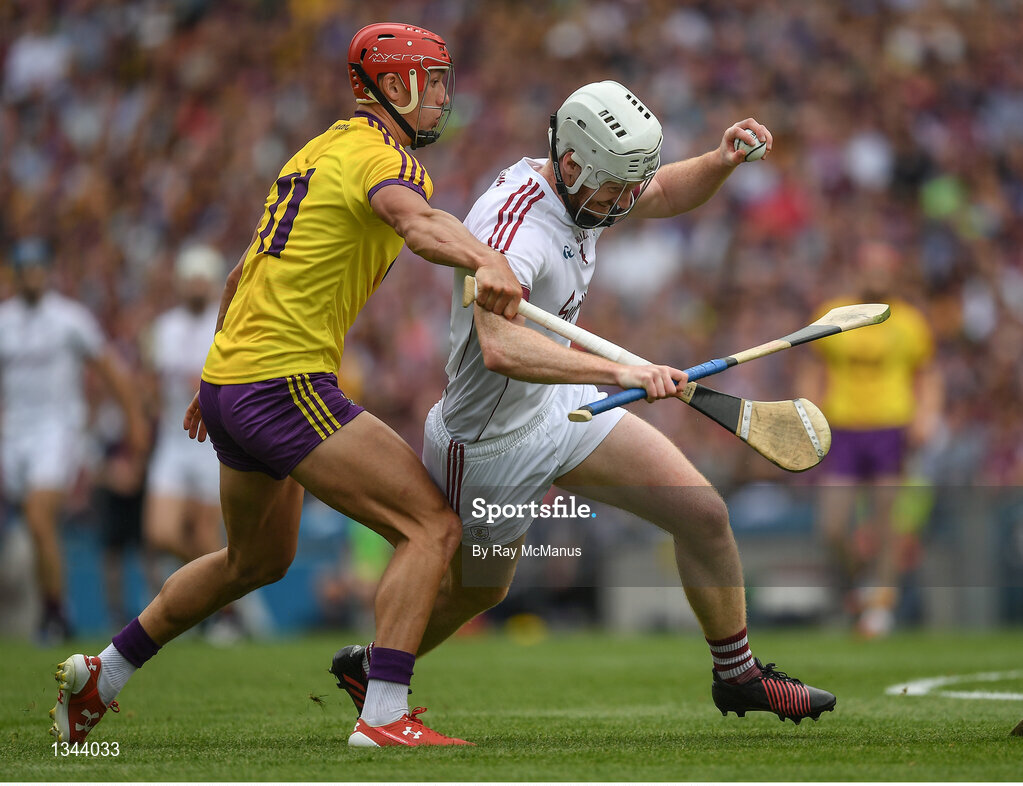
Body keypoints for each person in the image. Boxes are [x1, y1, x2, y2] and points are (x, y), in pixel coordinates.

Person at [50, 22, 521, 749]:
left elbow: (244, 272)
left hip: (236, 382)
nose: (444, 99)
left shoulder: (316, 150)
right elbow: (416, 220)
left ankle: (101, 673)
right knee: (432, 528)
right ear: (395, 87)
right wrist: (486, 260)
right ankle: (384, 713)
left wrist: (217, 377)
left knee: (255, 561)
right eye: (435, 82)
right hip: (281, 383)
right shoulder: (379, 158)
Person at [330, 80, 836, 725]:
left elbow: (657, 192)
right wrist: (622, 367)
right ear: (570, 162)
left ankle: (737, 677)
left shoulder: (592, 186)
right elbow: (501, 348)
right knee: (478, 593)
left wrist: (719, 160)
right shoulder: (517, 230)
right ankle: (372, 667)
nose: (626, 202)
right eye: (616, 187)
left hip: (560, 406)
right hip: (489, 443)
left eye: (630, 185)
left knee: (702, 512)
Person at [0, 237, 148, 644]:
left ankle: (55, 613)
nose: (32, 276)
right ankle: (52, 610)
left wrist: (134, 419)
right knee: (37, 528)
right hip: (13, 435)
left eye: (38, 268)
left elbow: (109, 369)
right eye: (24, 269)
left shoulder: (69, 319)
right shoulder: (5, 320)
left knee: (36, 515)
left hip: (57, 430)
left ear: (48, 272)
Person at [806, 239, 941, 637]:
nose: (876, 275)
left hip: (890, 426)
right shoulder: (833, 314)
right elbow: (812, 365)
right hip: (842, 427)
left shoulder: (910, 323)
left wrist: (927, 416)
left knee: (885, 523)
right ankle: (860, 585)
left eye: (883, 268)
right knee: (832, 527)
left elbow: (929, 374)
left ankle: (880, 606)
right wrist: (808, 411)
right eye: (870, 267)